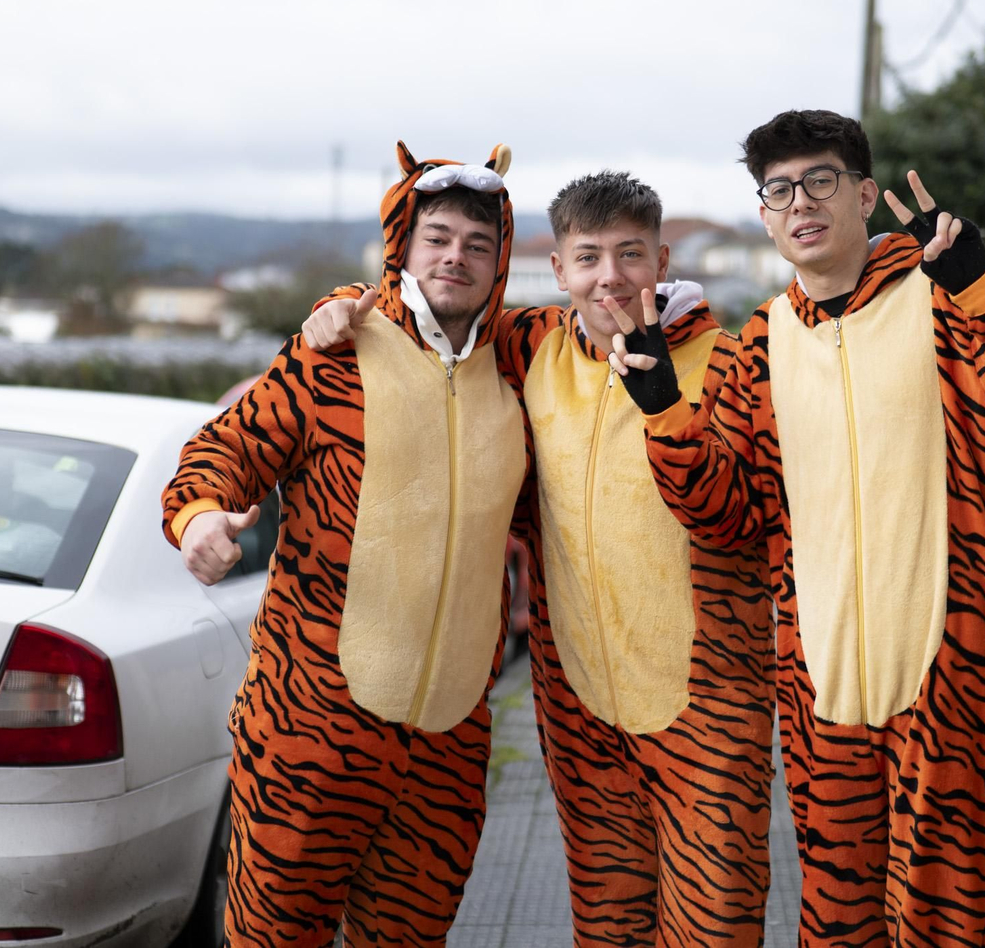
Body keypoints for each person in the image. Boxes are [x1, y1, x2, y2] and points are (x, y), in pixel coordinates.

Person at [604, 109, 985, 947]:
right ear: (766, 215)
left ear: (866, 194)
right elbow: (725, 518)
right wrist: (666, 413)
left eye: (821, 179)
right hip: (822, 696)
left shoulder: (946, 307)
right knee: (836, 927)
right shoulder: (757, 347)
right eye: (778, 189)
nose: (800, 200)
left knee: (947, 929)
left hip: (949, 685)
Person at [303, 171, 775, 947]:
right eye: (588, 257)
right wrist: (342, 305)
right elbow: (433, 316)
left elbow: (739, 518)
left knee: (715, 930)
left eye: (630, 254)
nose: (610, 277)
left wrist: (665, 406)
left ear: (661, 260)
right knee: (608, 928)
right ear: (558, 271)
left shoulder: (731, 365)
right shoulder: (532, 347)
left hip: (706, 711)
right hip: (580, 712)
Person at [160, 141, 526, 947]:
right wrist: (202, 519)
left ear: (501, 257)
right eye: (437, 236)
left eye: (477, 242)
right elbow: (221, 451)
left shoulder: (519, 369)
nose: (455, 257)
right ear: (403, 242)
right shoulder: (337, 352)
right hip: (312, 727)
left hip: (448, 745)